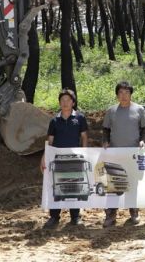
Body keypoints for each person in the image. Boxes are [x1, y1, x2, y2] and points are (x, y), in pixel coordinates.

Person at [102, 81, 145, 228]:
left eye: (127, 93)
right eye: (121, 93)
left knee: (133, 184)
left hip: (133, 154)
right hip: (115, 154)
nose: (124, 96)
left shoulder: (139, 109)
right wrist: (105, 141)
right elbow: (106, 129)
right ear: (117, 95)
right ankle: (111, 214)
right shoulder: (111, 111)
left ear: (131, 94)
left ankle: (134, 212)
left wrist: (143, 141)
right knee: (114, 185)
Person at [41, 88, 88, 229]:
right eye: (62, 100)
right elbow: (50, 141)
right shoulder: (54, 121)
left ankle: (75, 217)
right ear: (59, 103)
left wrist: (84, 154)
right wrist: (44, 157)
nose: (65, 103)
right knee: (57, 187)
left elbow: (84, 137)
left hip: (75, 160)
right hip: (58, 160)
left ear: (73, 103)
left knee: (74, 187)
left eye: (68, 100)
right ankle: (54, 217)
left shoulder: (80, 118)